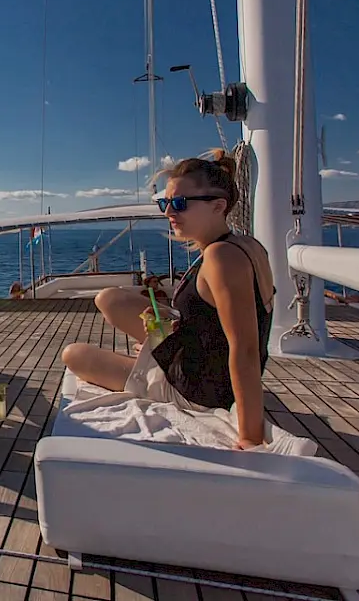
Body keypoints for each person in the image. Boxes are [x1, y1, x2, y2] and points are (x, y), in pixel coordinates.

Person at [60, 150, 275, 449]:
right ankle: (155, 355)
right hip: (197, 355)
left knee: (73, 355)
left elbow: (246, 349)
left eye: (180, 204)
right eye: (166, 203)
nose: (168, 212)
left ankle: (154, 370)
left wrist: (250, 436)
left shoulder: (221, 257)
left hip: (196, 390)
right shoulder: (246, 245)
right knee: (109, 298)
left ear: (218, 206)